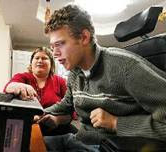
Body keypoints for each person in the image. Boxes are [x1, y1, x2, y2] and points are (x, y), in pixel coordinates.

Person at [35, 4, 166, 152]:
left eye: (60, 44)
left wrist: (116, 123)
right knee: (25, 142)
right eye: (52, 47)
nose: (55, 53)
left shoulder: (125, 67)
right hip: (79, 139)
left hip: (106, 146)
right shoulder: (75, 73)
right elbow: (67, 104)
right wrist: (38, 112)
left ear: (84, 37)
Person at [4, 47, 77, 135]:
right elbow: (8, 87)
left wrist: (57, 120)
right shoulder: (22, 77)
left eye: (44, 58)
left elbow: (71, 113)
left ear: (51, 64)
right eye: (37, 58)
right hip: (26, 128)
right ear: (31, 63)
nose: (40, 60)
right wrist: (20, 85)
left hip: (57, 129)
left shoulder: (60, 81)